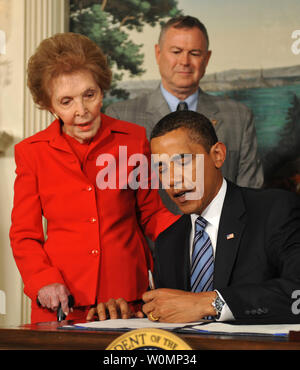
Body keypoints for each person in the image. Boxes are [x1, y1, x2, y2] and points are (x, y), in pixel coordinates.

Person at [9, 32, 179, 323]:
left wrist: (198, 234)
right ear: (49, 106)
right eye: (66, 101)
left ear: (102, 88)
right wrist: (42, 280)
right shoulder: (31, 153)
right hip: (61, 301)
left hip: (128, 297)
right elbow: (25, 234)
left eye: (90, 95)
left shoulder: (133, 139)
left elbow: (152, 214)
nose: (82, 111)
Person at [142, 110, 300, 324]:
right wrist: (135, 309)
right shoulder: (167, 241)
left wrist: (210, 303)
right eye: (161, 168)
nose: (171, 179)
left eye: (183, 162)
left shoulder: (275, 210)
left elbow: (296, 292)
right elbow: (169, 311)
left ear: (217, 155)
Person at [106, 15, 264, 217]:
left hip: (222, 243)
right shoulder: (120, 117)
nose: (184, 61)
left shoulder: (239, 117)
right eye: (176, 51)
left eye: (194, 53)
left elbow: (249, 196)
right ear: (158, 53)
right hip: (149, 246)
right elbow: (116, 203)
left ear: (206, 59)